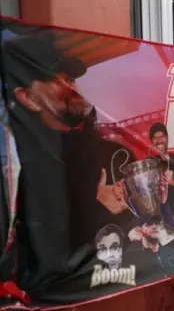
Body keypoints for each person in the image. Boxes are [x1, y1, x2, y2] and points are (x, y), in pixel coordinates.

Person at [1, 35, 139, 298]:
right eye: (57, 80)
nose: (71, 87)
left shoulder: (113, 153)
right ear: (27, 97)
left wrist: (106, 209)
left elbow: (135, 232)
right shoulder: (20, 159)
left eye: (71, 79)